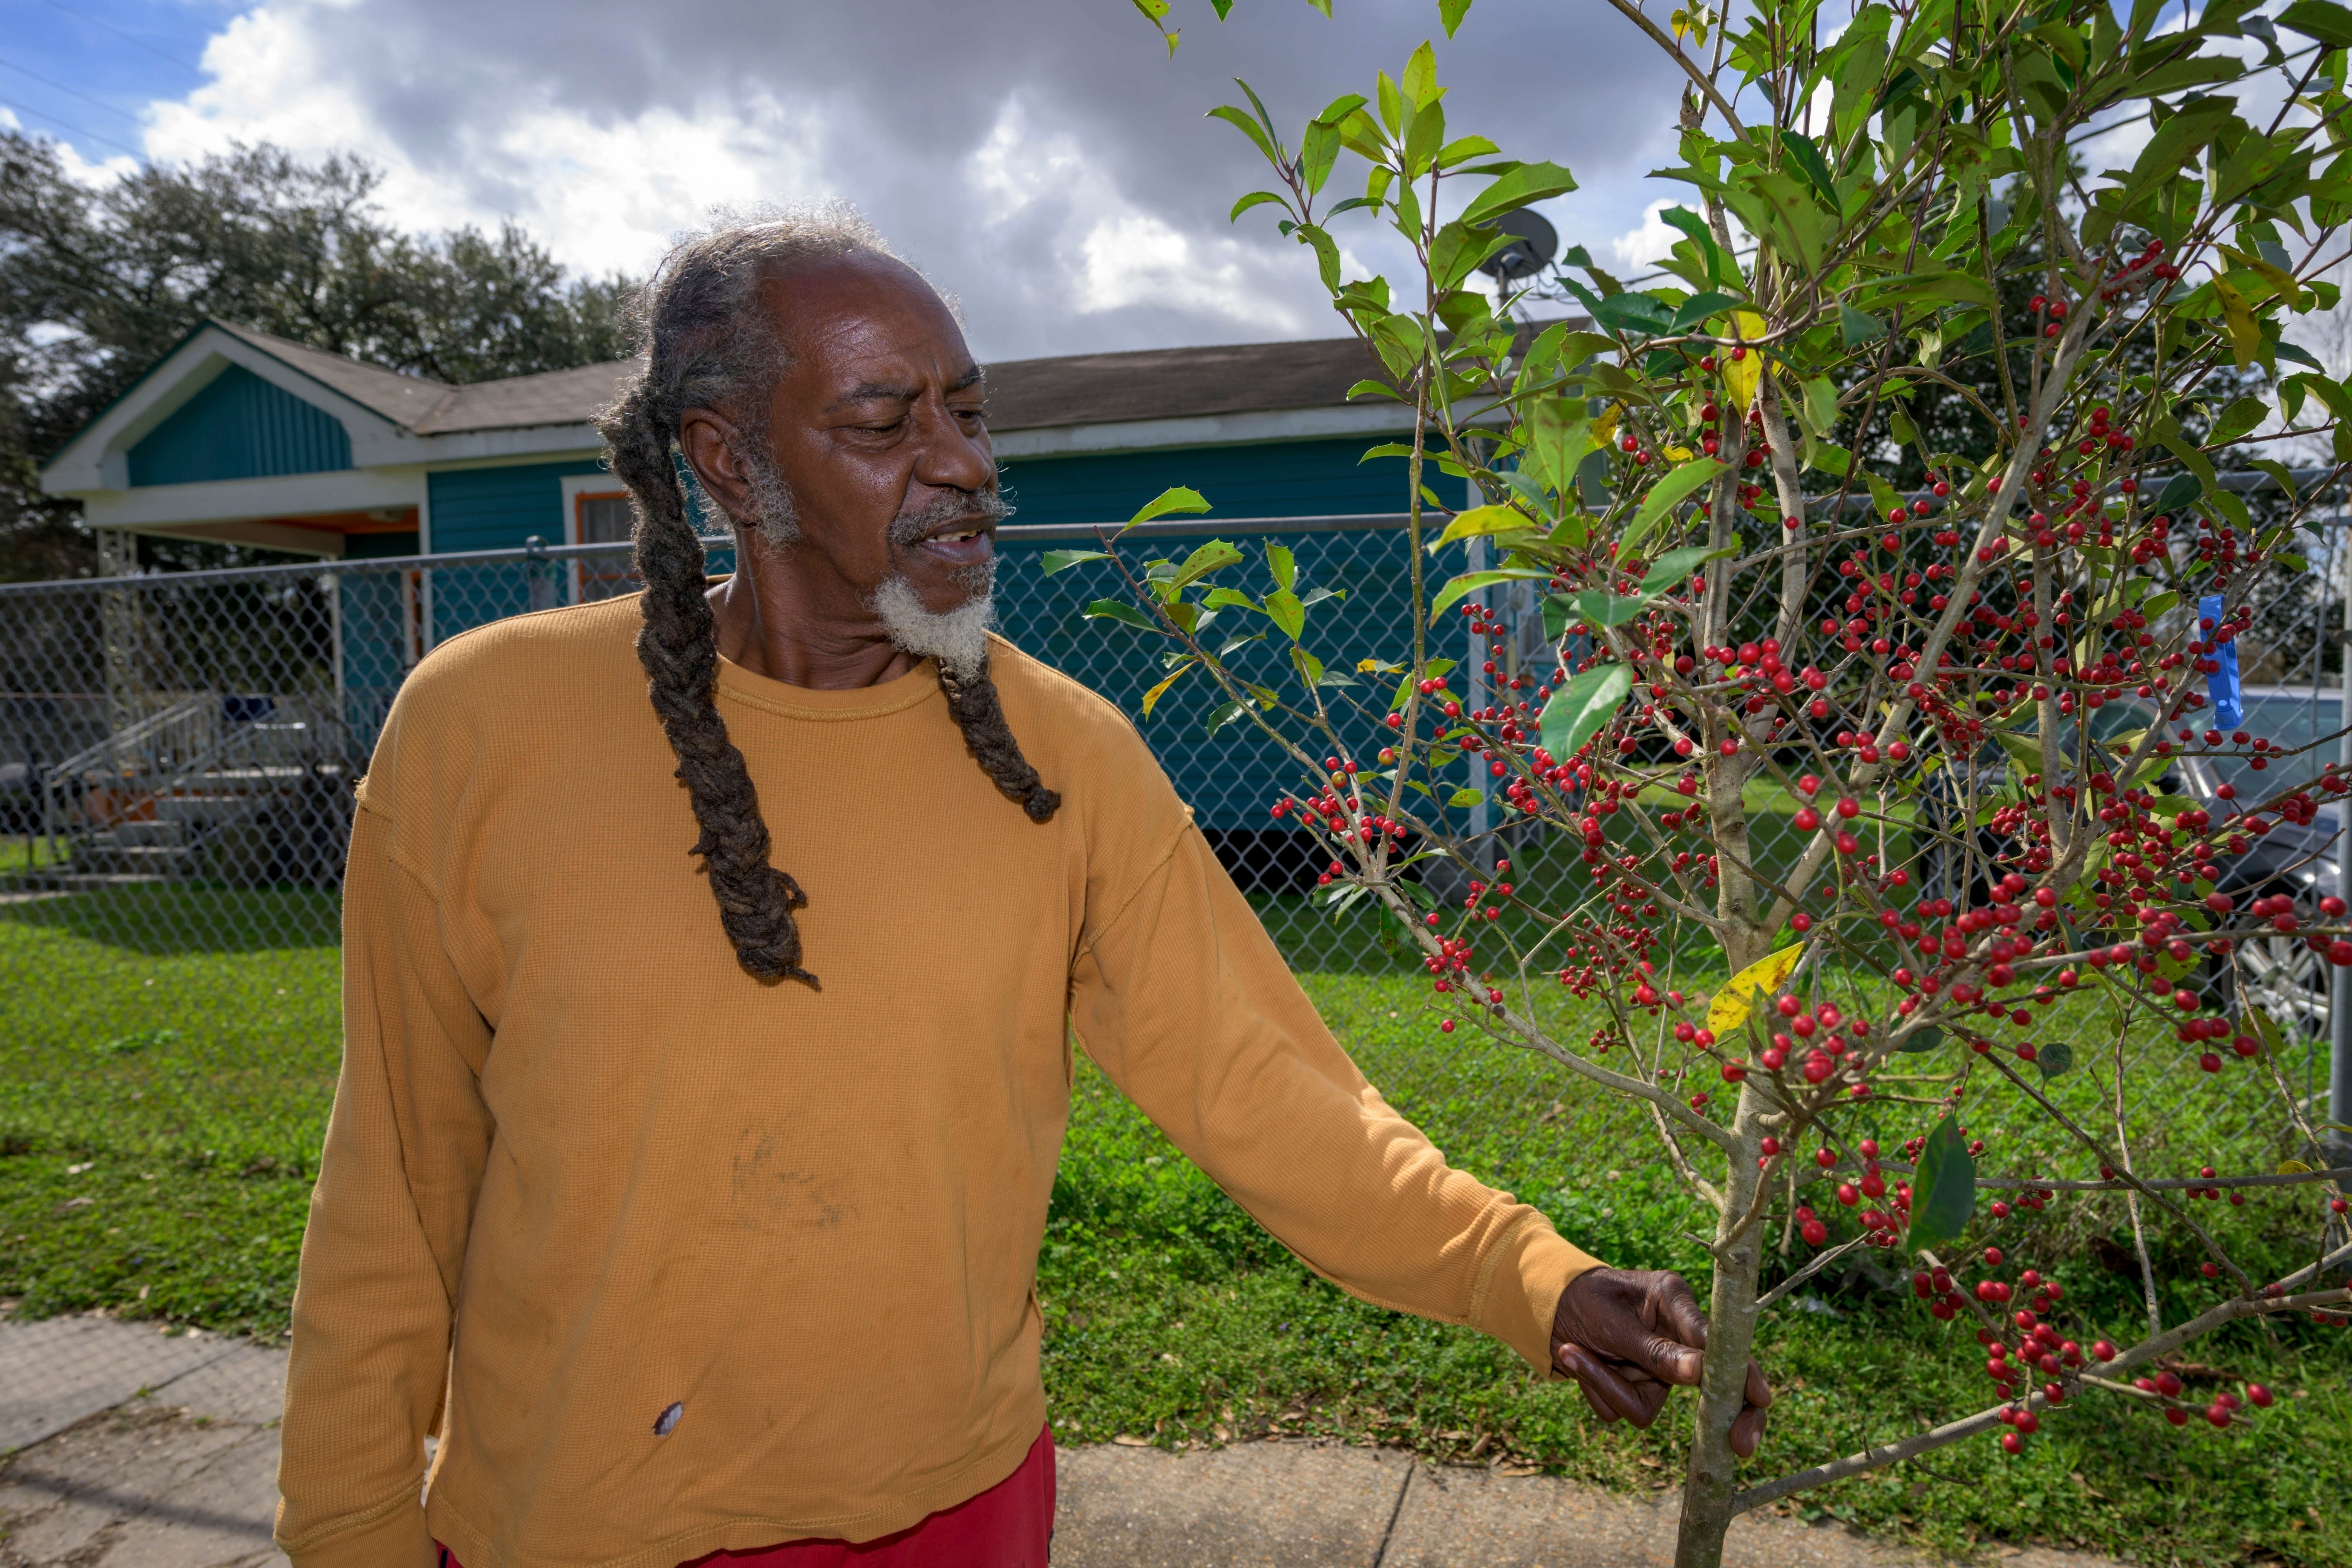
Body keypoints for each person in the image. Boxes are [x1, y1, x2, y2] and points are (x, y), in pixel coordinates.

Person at [273, 206, 1769, 1568]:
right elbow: (394, 1187)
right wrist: (348, 1527)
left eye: (971, 412)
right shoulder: (484, 729)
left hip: (958, 1515)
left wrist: (1532, 1275)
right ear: (728, 458)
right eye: (886, 418)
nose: (964, 460)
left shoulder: (1065, 756)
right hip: (576, 1525)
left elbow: (1269, 1089)